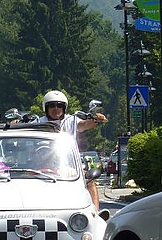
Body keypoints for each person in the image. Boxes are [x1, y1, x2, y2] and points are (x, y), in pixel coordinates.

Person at [35, 90, 108, 218]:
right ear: (45, 107)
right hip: (42, 164)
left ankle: (96, 213)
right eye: (52, 105)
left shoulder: (71, 120)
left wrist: (95, 119)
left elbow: (84, 125)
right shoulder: (38, 123)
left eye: (59, 105)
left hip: (67, 163)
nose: (56, 108)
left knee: (89, 180)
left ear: (64, 107)